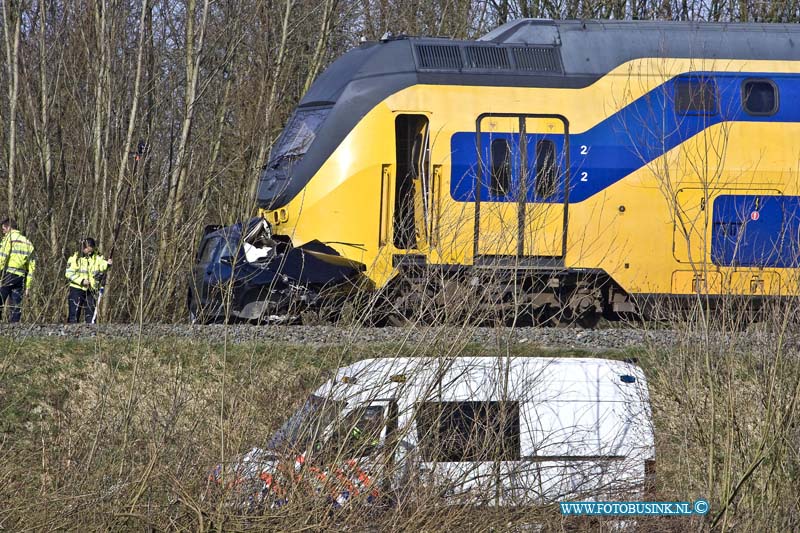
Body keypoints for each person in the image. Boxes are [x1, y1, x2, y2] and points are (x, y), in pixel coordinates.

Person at [65, 238, 111, 323]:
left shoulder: (97, 257)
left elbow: (102, 265)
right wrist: (82, 281)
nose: (89, 252)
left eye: (91, 249)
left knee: (91, 316)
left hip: (91, 290)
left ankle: (90, 333)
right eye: (87, 249)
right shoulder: (75, 258)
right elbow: (69, 274)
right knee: (74, 316)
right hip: (77, 289)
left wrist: (107, 264)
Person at [0, 218, 36, 323]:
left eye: (3, 229)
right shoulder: (28, 243)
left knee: (0, 298)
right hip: (20, 277)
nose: (3, 232)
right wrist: (28, 286)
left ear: (9, 227)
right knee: (16, 304)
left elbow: (2, 257)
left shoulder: (9, 238)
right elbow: (31, 267)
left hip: (7, 275)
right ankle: (14, 326)